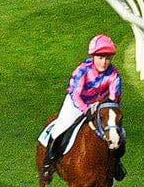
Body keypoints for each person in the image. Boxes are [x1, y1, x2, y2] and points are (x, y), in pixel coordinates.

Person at [39, 34, 124, 178]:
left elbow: (114, 98)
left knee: (119, 133)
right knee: (59, 128)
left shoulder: (114, 75)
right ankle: (48, 163)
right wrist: (86, 110)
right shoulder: (82, 70)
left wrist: (102, 108)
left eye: (107, 58)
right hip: (76, 105)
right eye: (100, 57)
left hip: (99, 106)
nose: (104, 62)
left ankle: (116, 164)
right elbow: (76, 94)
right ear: (93, 56)